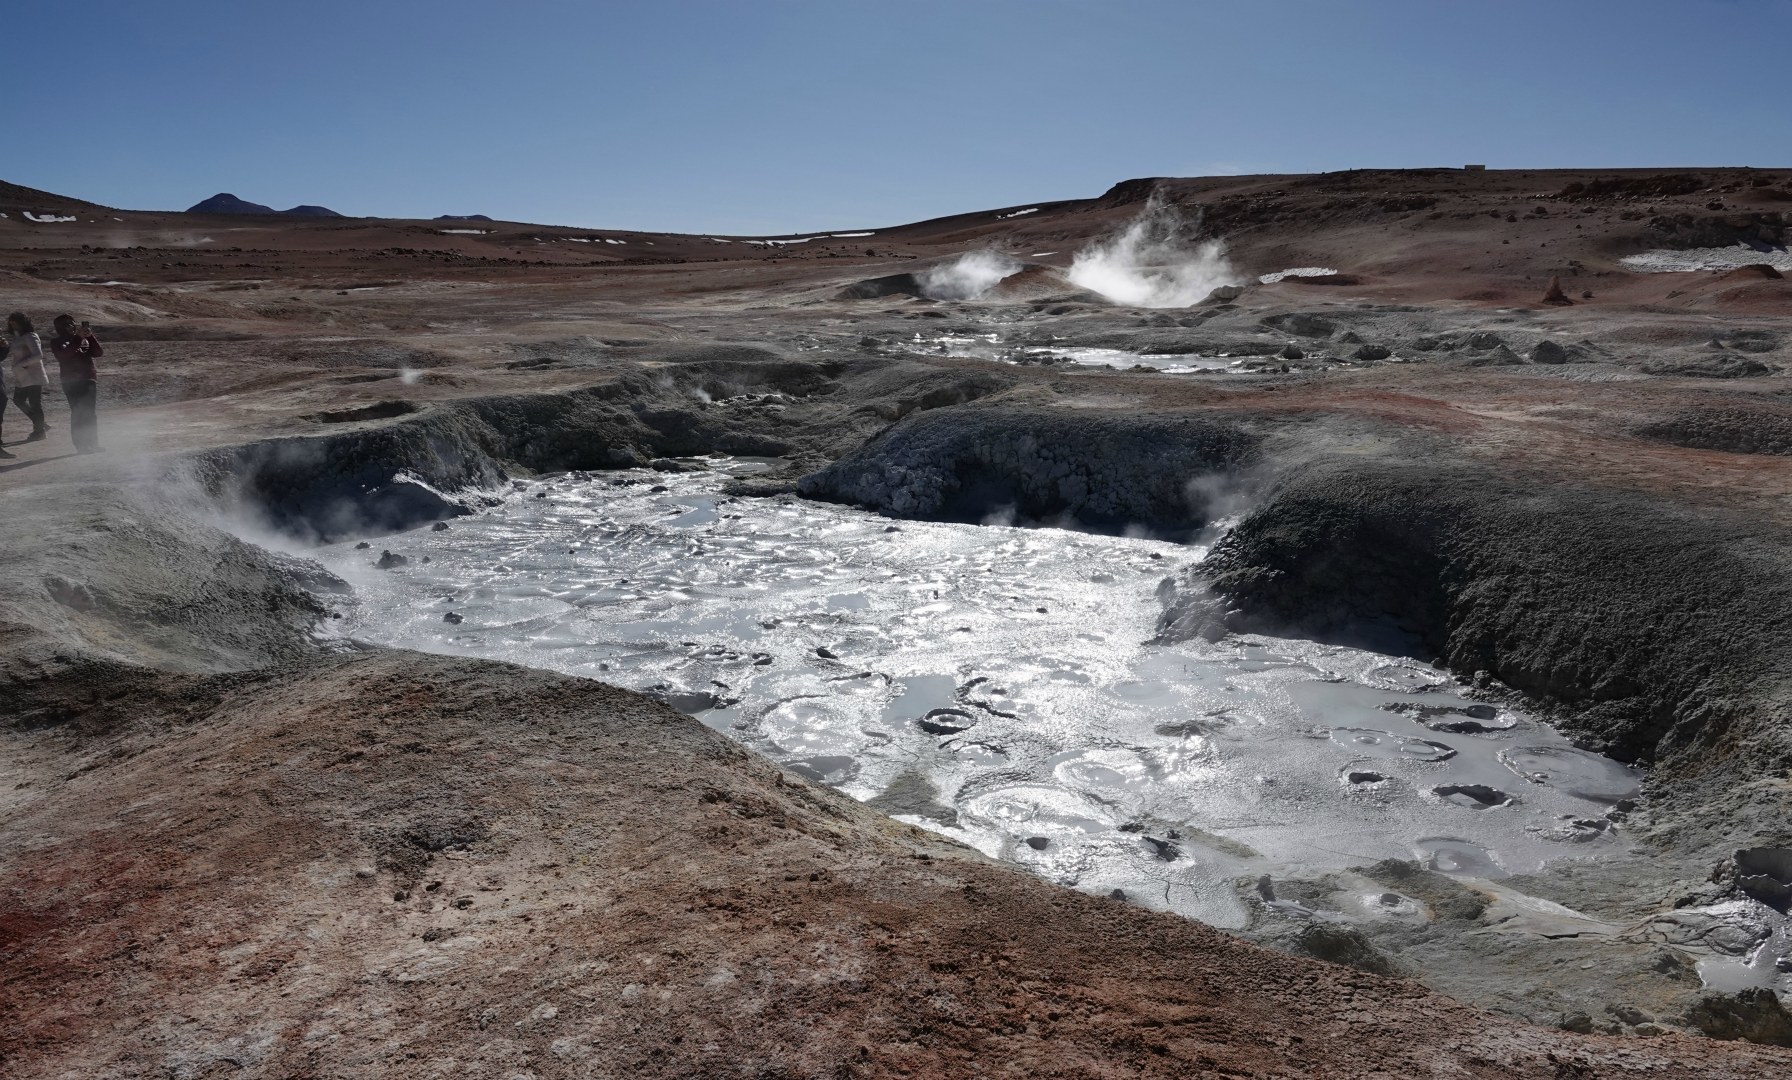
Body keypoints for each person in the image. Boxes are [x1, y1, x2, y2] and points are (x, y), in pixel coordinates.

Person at [49, 314, 103, 454]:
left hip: (88, 378)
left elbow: (98, 352)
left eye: (72, 323)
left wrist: (90, 336)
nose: (71, 326)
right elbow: (64, 355)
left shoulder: (82, 338)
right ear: (59, 327)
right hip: (70, 381)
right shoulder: (56, 342)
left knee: (90, 413)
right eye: (67, 324)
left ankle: (93, 443)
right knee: (78, 412)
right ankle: (81, 445)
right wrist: (78, 338)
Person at [3, 312, 49, 448]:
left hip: (33, 374)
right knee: (18, 400)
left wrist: (20, 365)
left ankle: (39, 431)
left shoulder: (31, 336)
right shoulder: (18, 338)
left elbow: (38, 355)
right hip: (22, 376)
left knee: (35, 403)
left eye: (15, 322)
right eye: (11, 323)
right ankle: (40, 424)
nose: (13, 325)